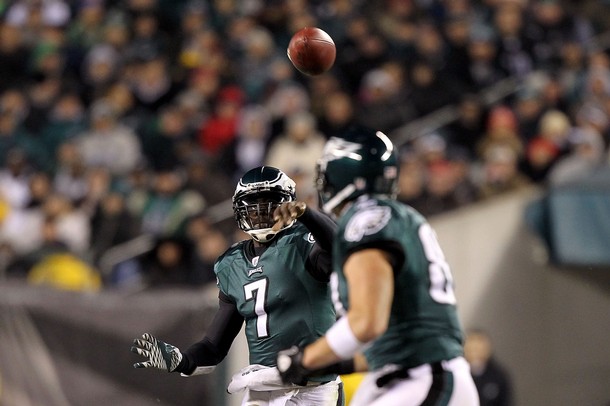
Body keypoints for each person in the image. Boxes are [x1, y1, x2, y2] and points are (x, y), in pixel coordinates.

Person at [275, 126, 480, 406]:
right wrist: (329, 363)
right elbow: (388, 341)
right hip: (416, 374)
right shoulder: (396, 216)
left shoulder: (366, 219)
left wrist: (303, 359)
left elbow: (367, 322)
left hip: (423, 378)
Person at [131, 166, 345, 405]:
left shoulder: (304, 243)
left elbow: (342, 248)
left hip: (313, 389)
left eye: (269, 203)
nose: (260, 212)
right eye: (253, 205)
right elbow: (214, 346)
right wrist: (181, 360)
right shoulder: (232, 263)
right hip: (261, 389)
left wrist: (308, 215)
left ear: (288, 204)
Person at [464, 329, 513, 406]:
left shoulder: (498, 376)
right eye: (471, 344)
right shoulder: (457, 374)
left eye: (479, 345)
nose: (475, 348)